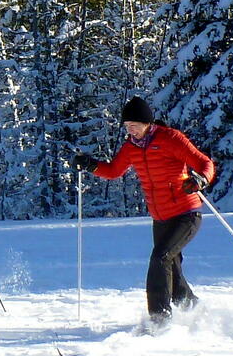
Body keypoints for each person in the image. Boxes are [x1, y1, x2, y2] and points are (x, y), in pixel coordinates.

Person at [73, 93, 216, 329]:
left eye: (135, 126)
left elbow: (204, 163)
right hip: (160, 217)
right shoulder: (131, 147)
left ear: (148, 123)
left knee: (160, 258)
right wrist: (90, 164)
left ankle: (159, 319)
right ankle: (195, 310)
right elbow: (113, 171)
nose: (131, 131)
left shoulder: (171, 138)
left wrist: (201, 179)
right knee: (171, 268)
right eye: (127, 127)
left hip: (186, 213)